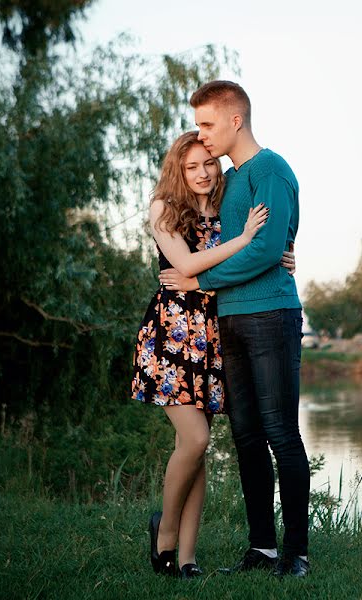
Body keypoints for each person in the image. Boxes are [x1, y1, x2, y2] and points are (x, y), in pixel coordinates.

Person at [159, 80, 311, 578]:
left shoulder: (271, 168)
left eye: (206, 124)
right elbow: (237, 241)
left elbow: (267, 249)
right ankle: (261, 549)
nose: (201, 136)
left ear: (234, 121)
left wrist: (198, 278)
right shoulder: (228, 179)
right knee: (245, 435)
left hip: (271, 316)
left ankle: (296, 554)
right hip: (229, 319)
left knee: (280, 434)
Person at [131, 130, 294, 579]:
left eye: (208, 164)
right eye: (192, 167)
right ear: (177, 171)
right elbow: (185, 266)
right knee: (196, 439)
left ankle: (186, 558)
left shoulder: (226, 207)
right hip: (172, 336)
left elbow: (256, 255)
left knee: (195, 448)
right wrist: (244, 240)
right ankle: (163, 530)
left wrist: (281, 255)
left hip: (212, 334)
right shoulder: (164, 209)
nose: (203, 173)